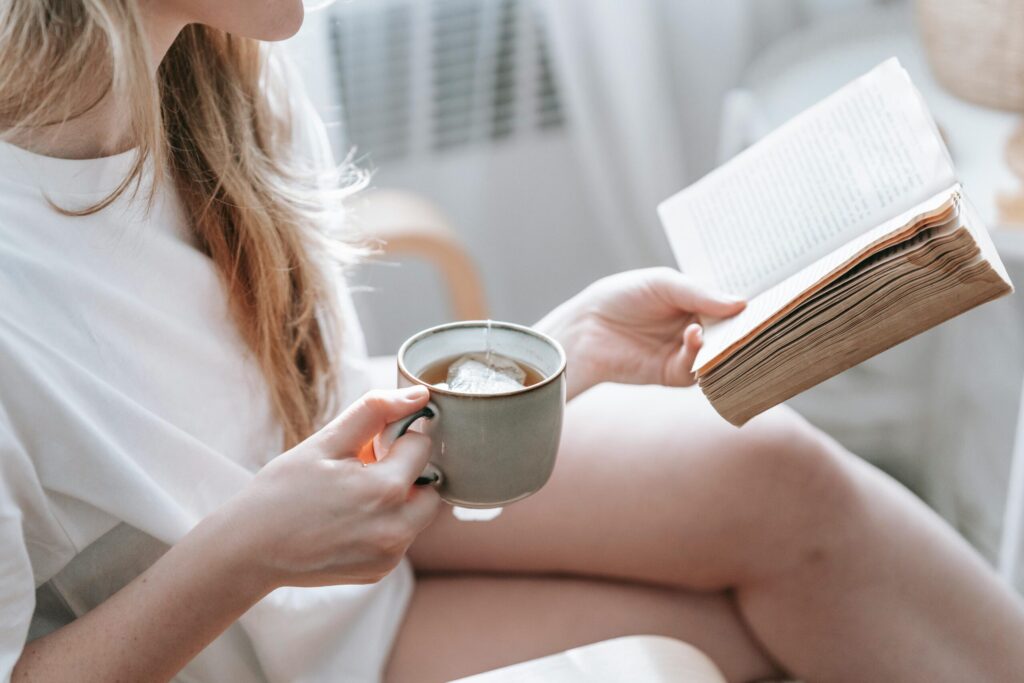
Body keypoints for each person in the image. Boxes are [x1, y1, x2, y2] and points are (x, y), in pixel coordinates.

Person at [1, 1, 1023, 682]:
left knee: (773, 470)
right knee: (714, 651)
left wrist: (562, 349)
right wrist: (249, 549)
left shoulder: (223, 73)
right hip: (239, 641)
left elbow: (261, 410)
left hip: (331, 569)